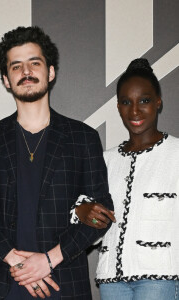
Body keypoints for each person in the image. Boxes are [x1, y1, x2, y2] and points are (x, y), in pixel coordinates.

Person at [0, 26, 113, 300]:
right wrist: (14, 261)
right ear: (6, 80)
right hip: (1, 284)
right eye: (16, 66)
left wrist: (49, 259)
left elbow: (100, 212)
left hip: (63, 283)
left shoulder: (82, 138)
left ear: (50, 72)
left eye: (35, 63)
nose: (26, 71)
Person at [74, 58, 179, 300]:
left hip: (160, 279)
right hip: (112, 281)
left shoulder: (176, 154)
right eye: (126, 102)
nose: (134, 111)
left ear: (158, 102)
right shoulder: (105, 160)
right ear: (118, 107)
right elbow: (84, 217)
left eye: (144, 100)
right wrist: (80, 211)